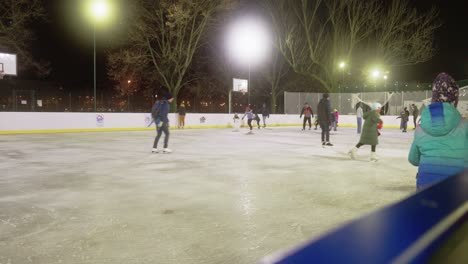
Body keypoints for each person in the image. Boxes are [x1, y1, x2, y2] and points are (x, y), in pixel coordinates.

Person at [408, 73, 468, 190]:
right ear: (454, 100)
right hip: (458, 190)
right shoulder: (465, 126)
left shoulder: (420, 128)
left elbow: (413, 159)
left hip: (425, 190)